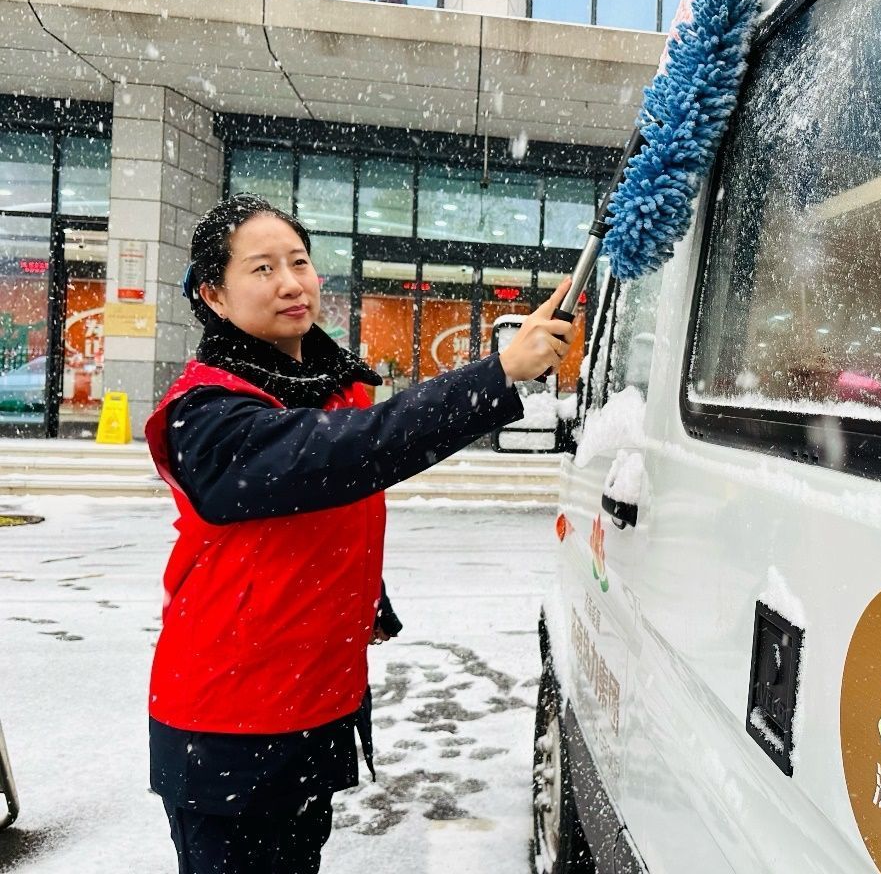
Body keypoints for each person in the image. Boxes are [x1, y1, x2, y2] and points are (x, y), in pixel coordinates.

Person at [143, 193, 576, 873]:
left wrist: (363, 597)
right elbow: (345, 453)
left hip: (311, 700)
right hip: (227, 719)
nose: (291, 282)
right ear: (213, 296)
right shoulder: (206, 412)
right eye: (261, 269)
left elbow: (324, 506)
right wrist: (496, 375)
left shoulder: (323, 385)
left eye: (299, 261)